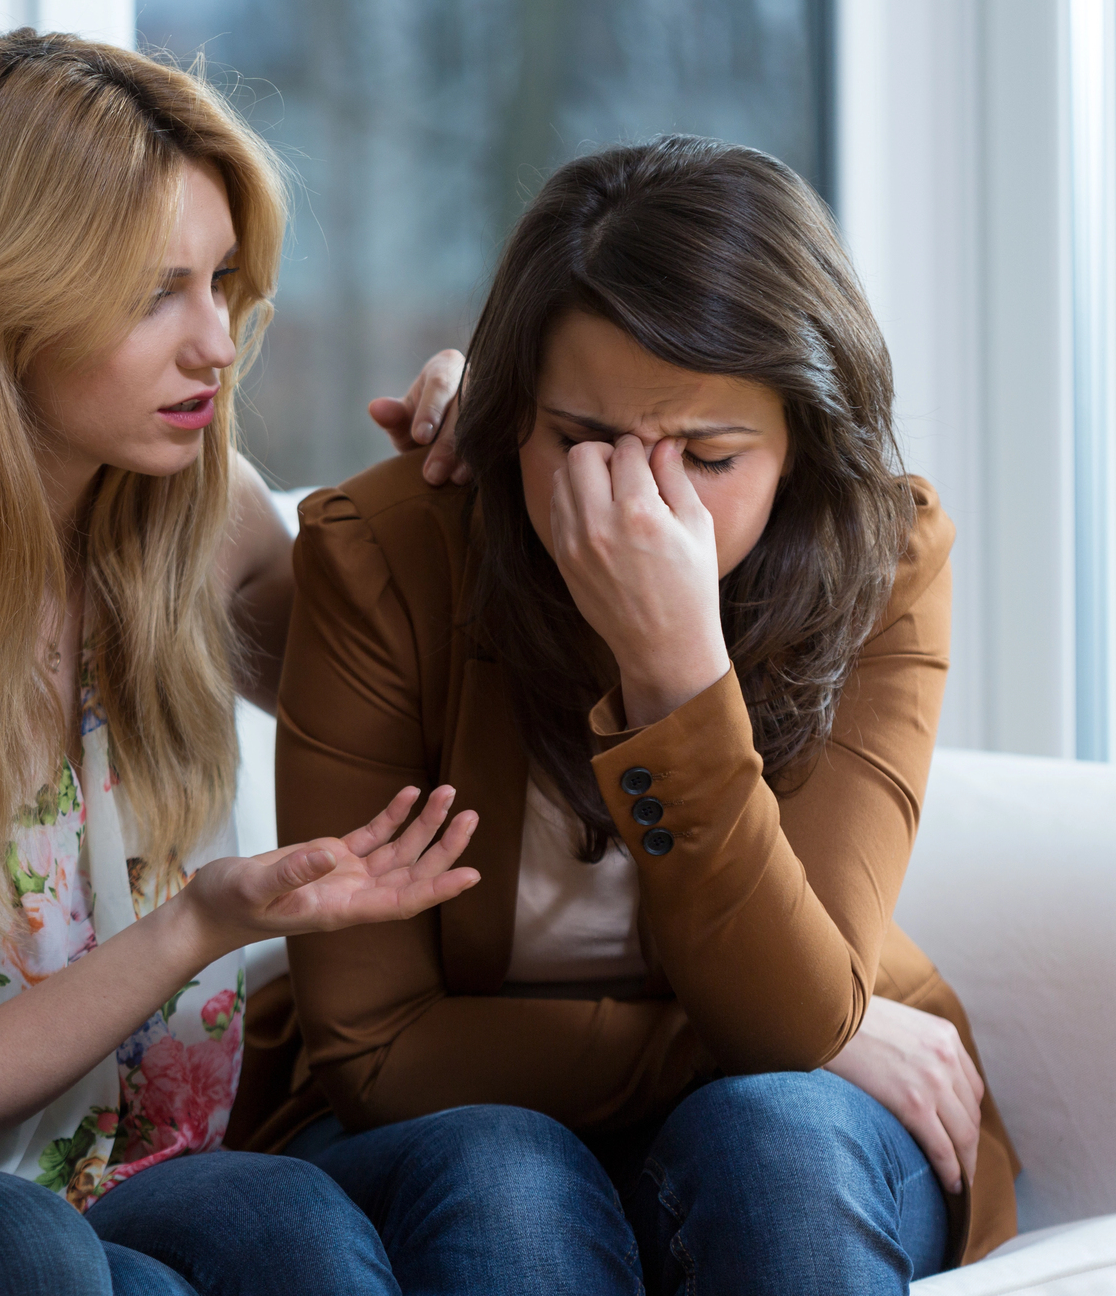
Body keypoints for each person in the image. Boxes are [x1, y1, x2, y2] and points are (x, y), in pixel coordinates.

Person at [231, 136, 1019, 1294]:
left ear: (799, 446)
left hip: (801, 1127)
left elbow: (799, 1026)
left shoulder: (881, 556)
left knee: (773, 1139)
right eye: (582, 442)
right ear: (511, 418)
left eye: (705, 457)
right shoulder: (386, 556)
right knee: (506, 1174)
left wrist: (675, 673)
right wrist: (801, 1036)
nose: (633, 506)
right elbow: (376, 1048)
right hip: (464, 1126)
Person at [0, 31, 483, 1296]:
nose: (215, 343)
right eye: (154, 292)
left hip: (186, 1171)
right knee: (269, 1235)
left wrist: (476, 469)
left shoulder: (200, 527)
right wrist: (194, 923)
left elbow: (439, 696)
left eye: (220, 281)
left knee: (454, 1178)